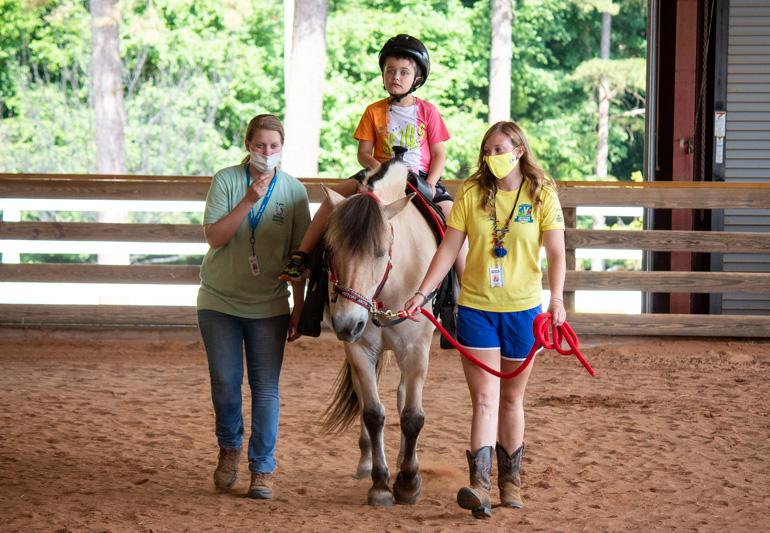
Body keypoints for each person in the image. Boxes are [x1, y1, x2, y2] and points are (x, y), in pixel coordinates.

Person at [404, 121, 567, 518]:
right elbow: (448, 250)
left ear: (519, 150)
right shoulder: (472, 194)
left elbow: (558, 253)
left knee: (511, 399)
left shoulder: (542, 194)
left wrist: (557, 299)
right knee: (483, 399)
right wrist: (422, 292)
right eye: (487, 150)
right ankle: (479, 486)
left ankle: (511, 483)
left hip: (525, 310)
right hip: (476, 308)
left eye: (499, 149)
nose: (492, 156)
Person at [280, 33, 462, 281]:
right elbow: (363, 154)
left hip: (420, 177)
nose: (396, 77)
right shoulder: (373, 111)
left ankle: (466, 284)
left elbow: (439, 154)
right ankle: (302, 256)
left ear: (417, 78)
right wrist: (380, 169)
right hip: (379, 173)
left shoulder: (428, 111)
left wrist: (431, 182)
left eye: (404, 72)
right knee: (334, 197)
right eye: (390, 71)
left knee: (455, 219)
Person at [196, 114, 310, 500]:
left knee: (265, 389)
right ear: (248, 145)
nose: (267, 153)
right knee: (226, 383)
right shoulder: (226, 180)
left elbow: (301, 255)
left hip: (270, 305)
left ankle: (262, 469)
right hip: (219, 300)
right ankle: (229, 447)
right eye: (260, 145)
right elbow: (215, 237)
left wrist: (299, 305)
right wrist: (249, 200)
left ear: (282, 148)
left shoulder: (293, 191)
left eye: (274, 146)